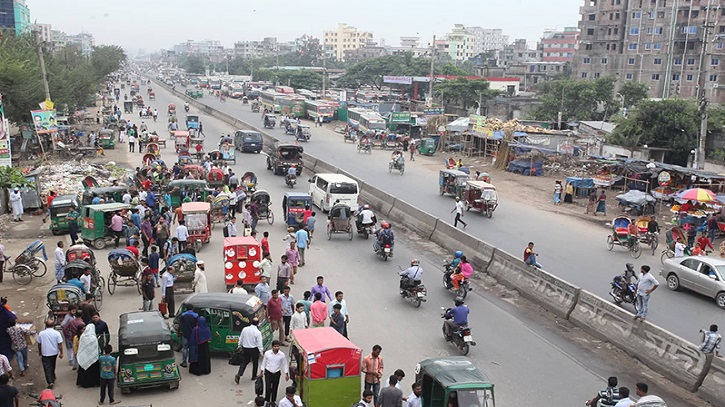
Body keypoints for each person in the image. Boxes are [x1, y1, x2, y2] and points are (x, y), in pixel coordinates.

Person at [258, 340, 289, 404]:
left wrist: (286, 374)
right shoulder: (267, 353)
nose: (276, 348)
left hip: (277, 372)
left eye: (278, 346)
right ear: (272, 347)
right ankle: (267, 401)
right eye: (275, 346)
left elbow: (285, 364)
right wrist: (261, 371)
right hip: (268, 372)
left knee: (275, 387)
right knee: (268, 387)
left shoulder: (282, 355)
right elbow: (264, 363)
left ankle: (273, 401)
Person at [234, 318, 263, 385]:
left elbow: (241, 338)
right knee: (255, 363)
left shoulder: (245, 329)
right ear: (258, 323)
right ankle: (253, 376)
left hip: (245, 348)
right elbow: (259, 343)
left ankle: (239, 374)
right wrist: (261, 352)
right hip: (254, 349)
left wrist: (239, 345)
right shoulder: (257, 332)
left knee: (245, 361)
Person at [37, 319, 63, 388]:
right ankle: (52, 376)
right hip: (54, 353)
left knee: (47, 367)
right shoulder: (57, 333)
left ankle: (50, 381)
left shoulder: (41, 333)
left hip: (45, 353)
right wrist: (61, 353)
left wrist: (40, 351)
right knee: (52, 364)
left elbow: (39, 344)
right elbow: (60, 344)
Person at [76, 323, 100, 388]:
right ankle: (94, 383)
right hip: (93, 358)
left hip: (84, 356)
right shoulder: (93, 337)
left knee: (85, 371)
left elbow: (81, 347)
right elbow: (96, 347)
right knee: (93, 371)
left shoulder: (82, 336)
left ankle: (85, 383)